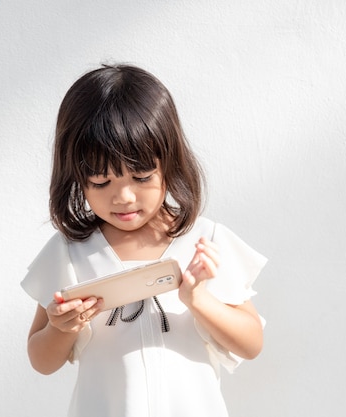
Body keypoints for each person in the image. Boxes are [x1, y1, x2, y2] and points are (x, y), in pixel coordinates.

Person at [21, 64, 267, 417]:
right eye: (101, 182)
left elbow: (251, 343)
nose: (123, 197)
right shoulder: (69, 253)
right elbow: (41, 360)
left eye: (141, 176)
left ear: (169, 163)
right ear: (75, 177)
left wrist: (197, 299)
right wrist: (63, 328)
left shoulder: (204, 242)